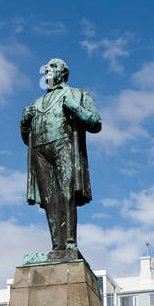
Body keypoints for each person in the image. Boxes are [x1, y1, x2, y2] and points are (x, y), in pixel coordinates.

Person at [19, 57, 101, 252]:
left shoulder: (78, 94)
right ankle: (57, 245)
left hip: (64, 145)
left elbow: (95, 123)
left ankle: (70, 242)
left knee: (67, 194)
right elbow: (26, 139)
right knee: (49, 200)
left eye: (53, 66)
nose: (48, 69)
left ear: (63, 72)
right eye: (47, 67)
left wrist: (74, 107)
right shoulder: (37, 102)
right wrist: (24, 122)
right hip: (40, 151)